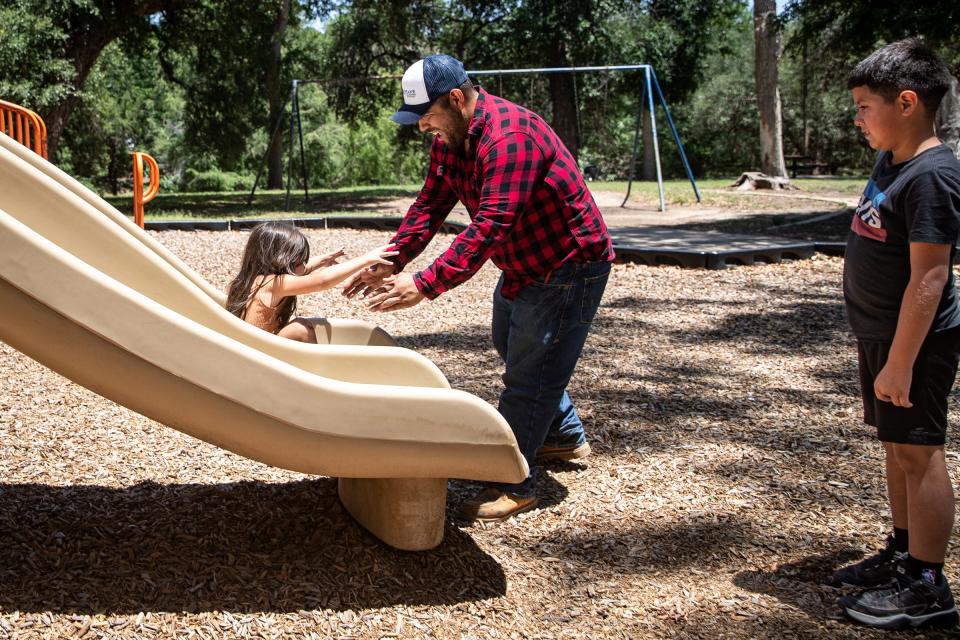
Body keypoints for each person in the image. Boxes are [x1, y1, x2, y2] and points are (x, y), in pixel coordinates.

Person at [341, 54, 615, 521]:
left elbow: (490, 226)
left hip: (567, 267)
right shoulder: (452, 137)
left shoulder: (510, 139)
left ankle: (514, 482)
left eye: (426, 116)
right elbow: (430, 204)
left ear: (455, 99)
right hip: (524, 263)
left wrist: (425, 284)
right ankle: (564, 436)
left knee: (527, 379)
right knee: (510, 343)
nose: (424, 128)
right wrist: (393, 259)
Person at [832, 38, 960, 630]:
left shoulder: (933, 176)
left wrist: (903, 361)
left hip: (917, 343)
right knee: (896, 449)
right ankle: (905, 554)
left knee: (920, 451)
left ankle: (929, 583)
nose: (857, 118)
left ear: (906, 102)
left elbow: (930, 278)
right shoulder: (893, 161)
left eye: (863, 107)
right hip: (884, 335)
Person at [226, 221, 396, 342]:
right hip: (259, 358)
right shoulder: (273, 284)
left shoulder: (254, 280)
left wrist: (322, 261)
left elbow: (302, 272)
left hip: (251, 352)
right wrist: (365, 259)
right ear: (280, 261)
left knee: (298, 326)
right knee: (299, 329)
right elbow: (322, 281)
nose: (305, 265)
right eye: (300, 261)